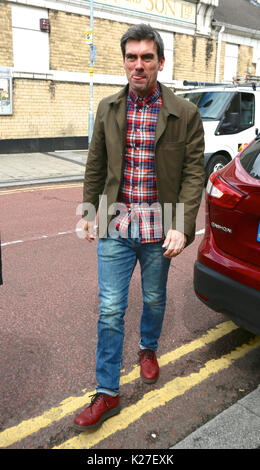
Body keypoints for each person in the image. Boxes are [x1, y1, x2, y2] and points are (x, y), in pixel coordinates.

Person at [73, 23, 205, 431]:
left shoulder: (184, 113)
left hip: (159, 227)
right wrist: (87, 213)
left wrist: (183, 225)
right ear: (125, 61)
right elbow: (96, 163)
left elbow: (193, 173)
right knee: (111, 309)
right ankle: (107, 393)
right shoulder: (109, 108)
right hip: (116, 223)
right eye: (132, 57)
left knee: (153, 298)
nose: (139, 65)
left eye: (147, 57)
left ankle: (148, 349)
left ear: (160, 62)